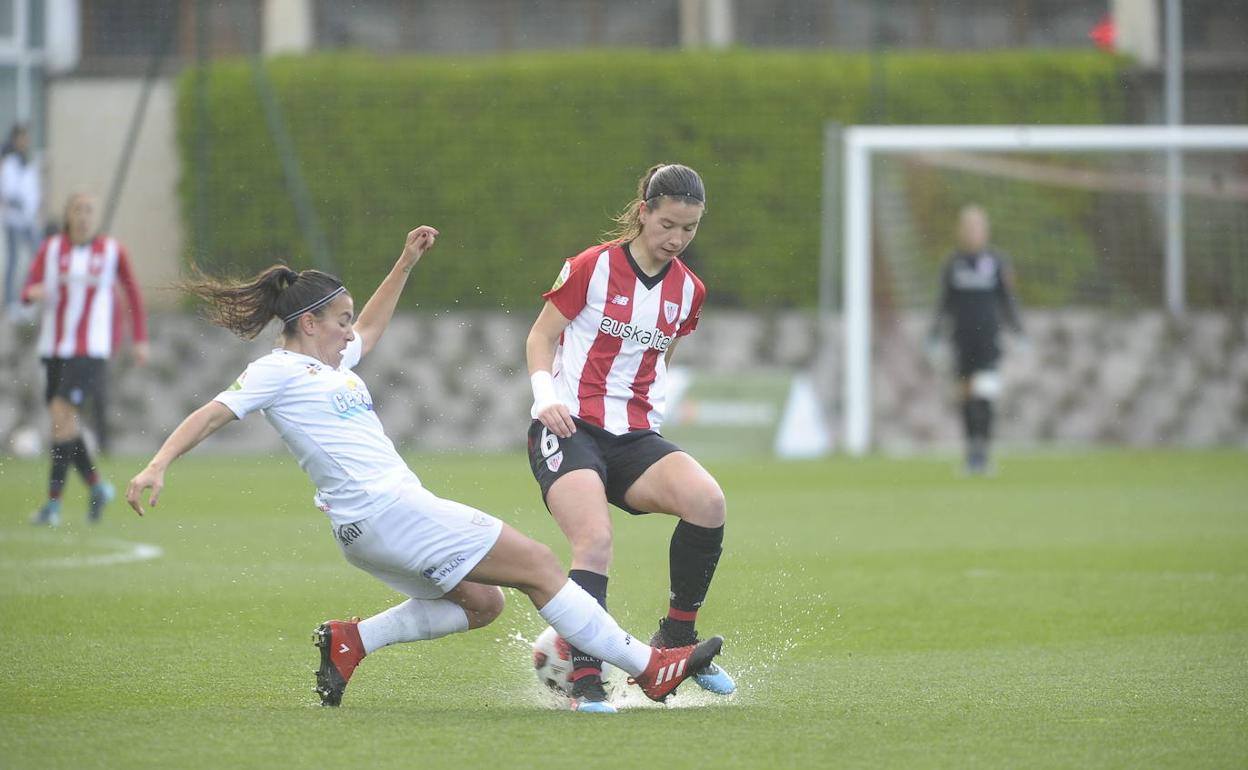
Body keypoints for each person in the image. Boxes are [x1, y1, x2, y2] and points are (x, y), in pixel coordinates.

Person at [124, 226, 723, 709]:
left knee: (483, 605)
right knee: (541, 564)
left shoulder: (331, 365)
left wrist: (404, 264)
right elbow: (211, 413)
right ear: (308, 324)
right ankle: (651, 668)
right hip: (392, 512)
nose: (349, 332)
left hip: (363, 532)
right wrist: (157, 464)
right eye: (339, 321)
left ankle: (352, 641)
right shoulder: (276, 371)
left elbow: (373, 327)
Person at [525, 163, 733, 713]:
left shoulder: (690, 291)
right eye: (667, 225)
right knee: (594, 542)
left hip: (634, 436)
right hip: (567, 427)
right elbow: (542, 335)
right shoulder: (591, 268)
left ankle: (675, 639)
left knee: (707, 501)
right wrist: (545, 394)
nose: (676, 239)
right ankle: (584, 676)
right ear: (643, 212)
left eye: (689, 229)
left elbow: (661, 353)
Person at [23, 191, 148, 525]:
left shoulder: (110, 251)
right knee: (63, 423)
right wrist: (33, 293)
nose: (84, 217)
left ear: (95, 217)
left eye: (89, 211)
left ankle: (53, 505)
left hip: (90, 349)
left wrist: (139, 339)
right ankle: (96, 487)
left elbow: (132, 290)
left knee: (61, 415)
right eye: (78, 210)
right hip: (54, 348)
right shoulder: (51, 250)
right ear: (68, 215)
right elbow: (27, 287)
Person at [927, 204, 1025, 475]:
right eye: (968, 226)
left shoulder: (997, 262)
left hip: (988, 343)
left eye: (977, 226)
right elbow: (944, 303)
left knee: (985, 396)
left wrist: (1019, 332)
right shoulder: (953, 264)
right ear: (960, 230)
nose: (972, 232)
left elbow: (1007, 300)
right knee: (967, 399)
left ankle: (983, 453)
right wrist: (934, 334)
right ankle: (971, 453)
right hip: (962, 342)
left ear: (985, 230)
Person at [2, 123, 40, 317]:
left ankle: (27, 298)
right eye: (22, 138)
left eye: (27, 138)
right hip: (14, 221)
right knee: (14, 261)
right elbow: (8, 192)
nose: (25, 141)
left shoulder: (29, 162)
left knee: (36, 257)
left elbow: (33, 190)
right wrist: (22, 205)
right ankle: (10, 303)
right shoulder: (9, 163)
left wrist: (33, 207)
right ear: (15, 140)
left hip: (29, 220)